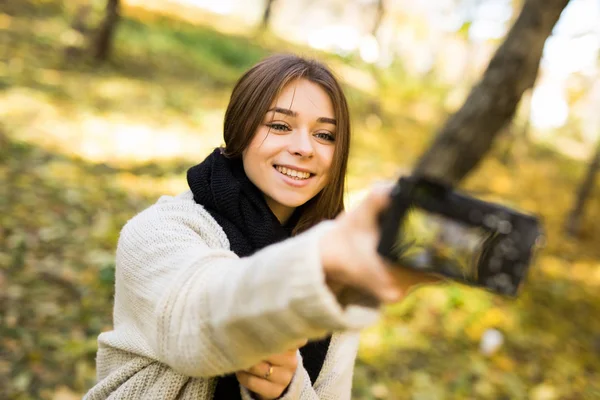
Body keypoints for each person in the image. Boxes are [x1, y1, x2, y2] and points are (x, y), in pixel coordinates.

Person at [84, 53, 437, 400]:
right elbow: (194, 320)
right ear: (240, 130)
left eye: (325, 135)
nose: (304, 148)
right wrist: (320, 263)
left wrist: (288, 390)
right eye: (280, 126)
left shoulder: (339, 273)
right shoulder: (160, 230)